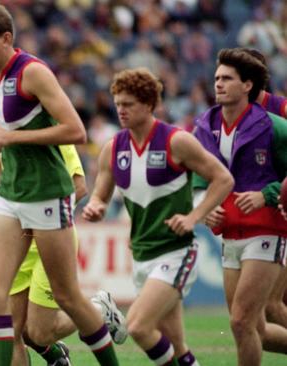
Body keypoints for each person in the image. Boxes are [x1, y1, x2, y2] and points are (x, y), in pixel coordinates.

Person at [0, 5, 119, 365]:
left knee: (67, 298)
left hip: (47, 196)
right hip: (11, 196)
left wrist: (10, 138)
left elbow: (76, 131)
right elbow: (10, 134)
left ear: (7, 38)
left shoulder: (33, 72)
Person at [82, 67, 233, 366]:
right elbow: (100, 193)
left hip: (176, 252)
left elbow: (223, 179)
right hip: (141, 254)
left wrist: (193, 217)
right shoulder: (113, 148)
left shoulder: (177, 141)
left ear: (149, 105)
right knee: (177, 347)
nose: (121, 111)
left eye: (129, 104)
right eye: (118, 104)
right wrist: (96, 206)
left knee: (138, 326)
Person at [193, 48, 287, 366]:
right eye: (217, 77)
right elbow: (197, 179)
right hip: (229, 234)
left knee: (241, 321)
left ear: (247, 85)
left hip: (268, 231)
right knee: (252, 327)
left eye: (227, 78)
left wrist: (268, 194)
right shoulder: (204, 127)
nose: (218, 83)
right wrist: (203, 207)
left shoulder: (275, 125)